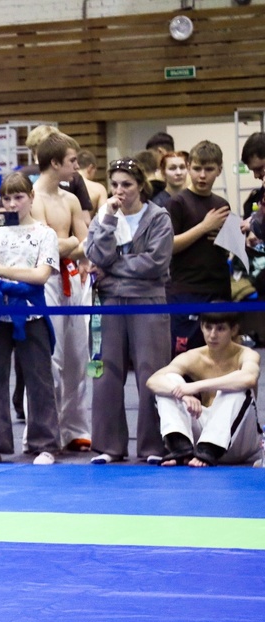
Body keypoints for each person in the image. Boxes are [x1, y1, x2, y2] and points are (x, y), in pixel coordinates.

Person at [84, 158, 173, 464]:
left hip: (148, 301)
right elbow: (96, 255)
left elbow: (155, 263)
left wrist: (113, 268)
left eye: (127, 184)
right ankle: (108, 446)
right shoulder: (104, 216)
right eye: (115, 184)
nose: (119, 190)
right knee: (104, 373)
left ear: (140, 186)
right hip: (109, 302)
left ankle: (154, 446)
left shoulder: (158, 217)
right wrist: (108, 221)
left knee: (152, 372)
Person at [0, 173, 61, 465]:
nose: (12, 204)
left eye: (19, 197)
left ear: (31, 197)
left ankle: (45, 443)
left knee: (39, 379)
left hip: (31, 310)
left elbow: (40, 276)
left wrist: (1, 270)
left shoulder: (45, 233)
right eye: (7, 198)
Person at [31, 132, 91, 453]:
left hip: (72, 279)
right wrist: (68, 243)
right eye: (72, 161)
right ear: (55, 163)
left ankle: (76, 429)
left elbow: (86, 243)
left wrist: (63, 242)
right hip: (45, 281)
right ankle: (45, 430)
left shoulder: (70, 199)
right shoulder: (33, 198)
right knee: (49, 359)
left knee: (78, 357)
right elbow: (45, 246)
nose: (76, 167)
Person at [147, 312, 261, 467]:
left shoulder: (246, 354)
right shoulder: (193, 356)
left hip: (240, 441)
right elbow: (153, 380)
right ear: (201, 327)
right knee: (170, 381)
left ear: (234, 330)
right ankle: (181, 448)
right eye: (208, 327)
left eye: (220, 329)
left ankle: (210, 448)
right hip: (201, 439)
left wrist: (196, 386)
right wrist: (182, 394)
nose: (213, 335)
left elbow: (249, 378)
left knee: (236, 386)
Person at [167, 140, 232, 355]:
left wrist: (230, 238)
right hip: (187, 290)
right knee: (184, 355)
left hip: (218, 288)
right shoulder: (177, 203)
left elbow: (228, 250)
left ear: (219, 170)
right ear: (189, 167)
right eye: (197, 169)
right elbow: (169, 246)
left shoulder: (221, 204)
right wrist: (204, 227)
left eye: (209, 169)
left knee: (219, 355)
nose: (202, 175)